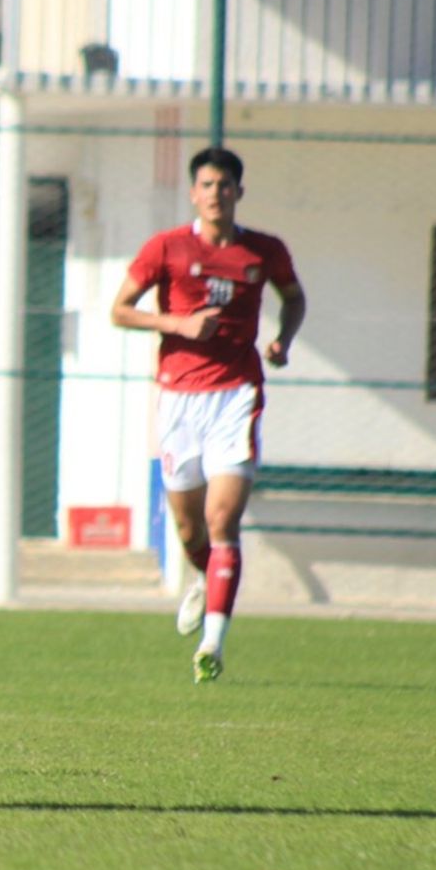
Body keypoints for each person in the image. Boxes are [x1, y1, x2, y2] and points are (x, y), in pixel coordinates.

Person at [110, 147, 305, 684]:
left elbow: (294, 298)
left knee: (223, 521)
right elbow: (120, 310)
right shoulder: (167, 247)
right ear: (194, 192)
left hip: (236, 395)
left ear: (239, 192)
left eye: (225, 184)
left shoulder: (263, 250)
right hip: (178, 399)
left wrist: (283, 340)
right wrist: (179, 324)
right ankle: (205, 579)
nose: (216, 192)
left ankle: (213, 641)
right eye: (207, 184)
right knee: (188, 525)